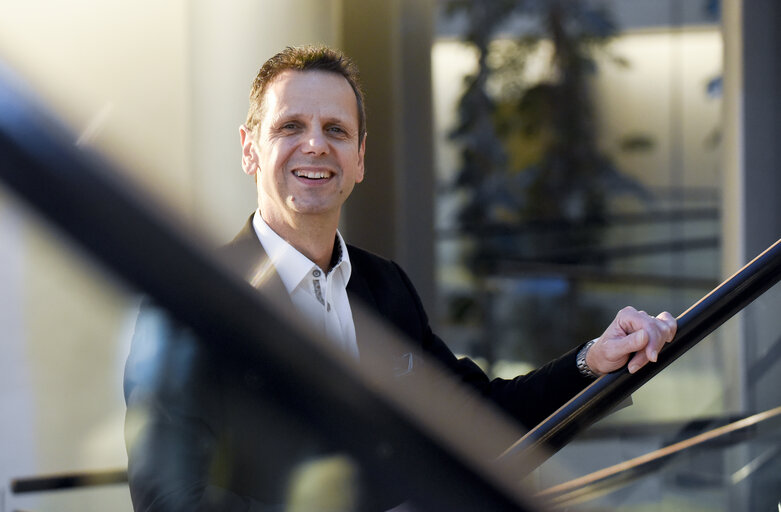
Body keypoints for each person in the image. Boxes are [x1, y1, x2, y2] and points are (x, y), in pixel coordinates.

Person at [124, 45, 677, 512]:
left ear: (359, 159)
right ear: (250, 148)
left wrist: (592, 361)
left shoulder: (385, 287)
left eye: (335, 130)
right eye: (290, 126)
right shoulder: (190, 300)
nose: (315, 144)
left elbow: (477, 417)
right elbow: (170, 497)